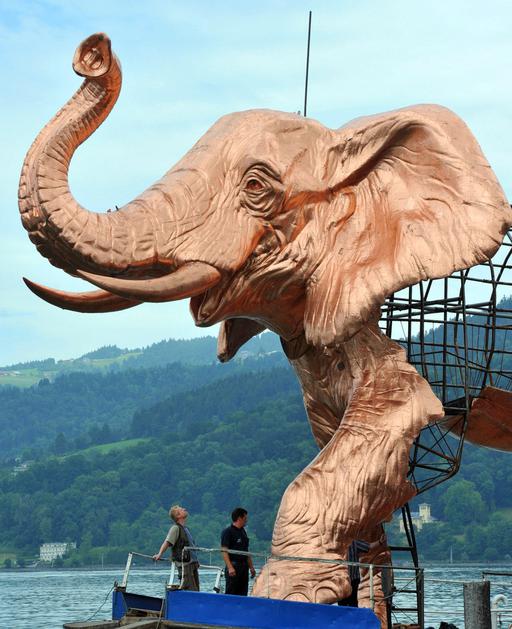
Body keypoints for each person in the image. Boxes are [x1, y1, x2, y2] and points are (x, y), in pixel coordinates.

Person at [153, 504, 200, 591]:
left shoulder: (185, 529)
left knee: (196, 590)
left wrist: (196, 561)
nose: (184, 509)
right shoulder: (175, 528)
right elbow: (167, 542)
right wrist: (159, 554)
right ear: (178, 516)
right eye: (181, 509)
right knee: (190, 589)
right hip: (185, 565)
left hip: (192, 564)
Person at [338, 533, 385, 607]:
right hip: (341, 579)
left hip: (353, 579)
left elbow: (368, 546)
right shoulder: (337, 544)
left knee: (352, 602)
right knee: (342, 602)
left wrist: (380, 542)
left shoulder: (354, 542)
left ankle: (353, 613)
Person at [221, 507, 256, 595]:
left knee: (243, 593)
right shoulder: (228, 532)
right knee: (231, 592)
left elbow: (246, 551)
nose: (246, 520)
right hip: (234, 566)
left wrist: (251, 567)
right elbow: (224, 550)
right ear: (239, 518)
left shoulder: (243, 532)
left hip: (244, 567)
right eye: (245, 518)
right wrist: (230, 567)